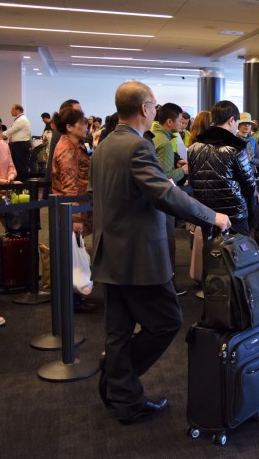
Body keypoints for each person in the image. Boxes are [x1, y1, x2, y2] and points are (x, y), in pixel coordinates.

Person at [89, 81, 231, 425]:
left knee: (118, 331)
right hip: (138, 256)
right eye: (154, 104)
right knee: (167, 321)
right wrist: (211, 216)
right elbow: (164, 195)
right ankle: (119, 376)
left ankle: (125, 398)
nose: (157, 109)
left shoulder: (106, 144)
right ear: (145, 108)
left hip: (111, 252)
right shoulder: (138, 148)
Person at [51, 107, 97, 312]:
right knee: (71, 254)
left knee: (72, 252)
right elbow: (70, 185)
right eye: (82, 123)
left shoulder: (73, 144)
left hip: (74, 206)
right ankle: (72, 299)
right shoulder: (67, 149)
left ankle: (74, 297)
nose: (86, 126)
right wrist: (76, 217)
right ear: (69, 127)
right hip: (71, 208)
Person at [187, 100, 256, 236]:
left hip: (205, 214)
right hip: (234, 216)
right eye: (237, 122)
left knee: (208, 253)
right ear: (231, 120)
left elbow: (193, 181)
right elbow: (249, 185)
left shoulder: (193, 148)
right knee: (237, 254)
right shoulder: (235, 148)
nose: (237, 127)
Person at [148, 103, 189, 296]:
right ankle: (169, 284)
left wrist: (175, 159)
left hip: (151, 201)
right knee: (167, 241)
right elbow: (165, 177)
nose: (182, 124)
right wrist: (184, 170)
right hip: (164, 199)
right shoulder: (163, 142)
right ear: (169, 122)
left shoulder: (154, 136)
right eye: (180, 121)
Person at [4, 104, 32, 176]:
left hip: (21, 145)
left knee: (21, 166)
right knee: (18, 165)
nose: (11, 111)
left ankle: (23, 184)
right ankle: (20, 184)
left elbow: (12, 130)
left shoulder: (21, 119)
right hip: (19, 145)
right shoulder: (19, 119)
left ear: (18, 110)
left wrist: (0, 136)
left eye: (12, 109)